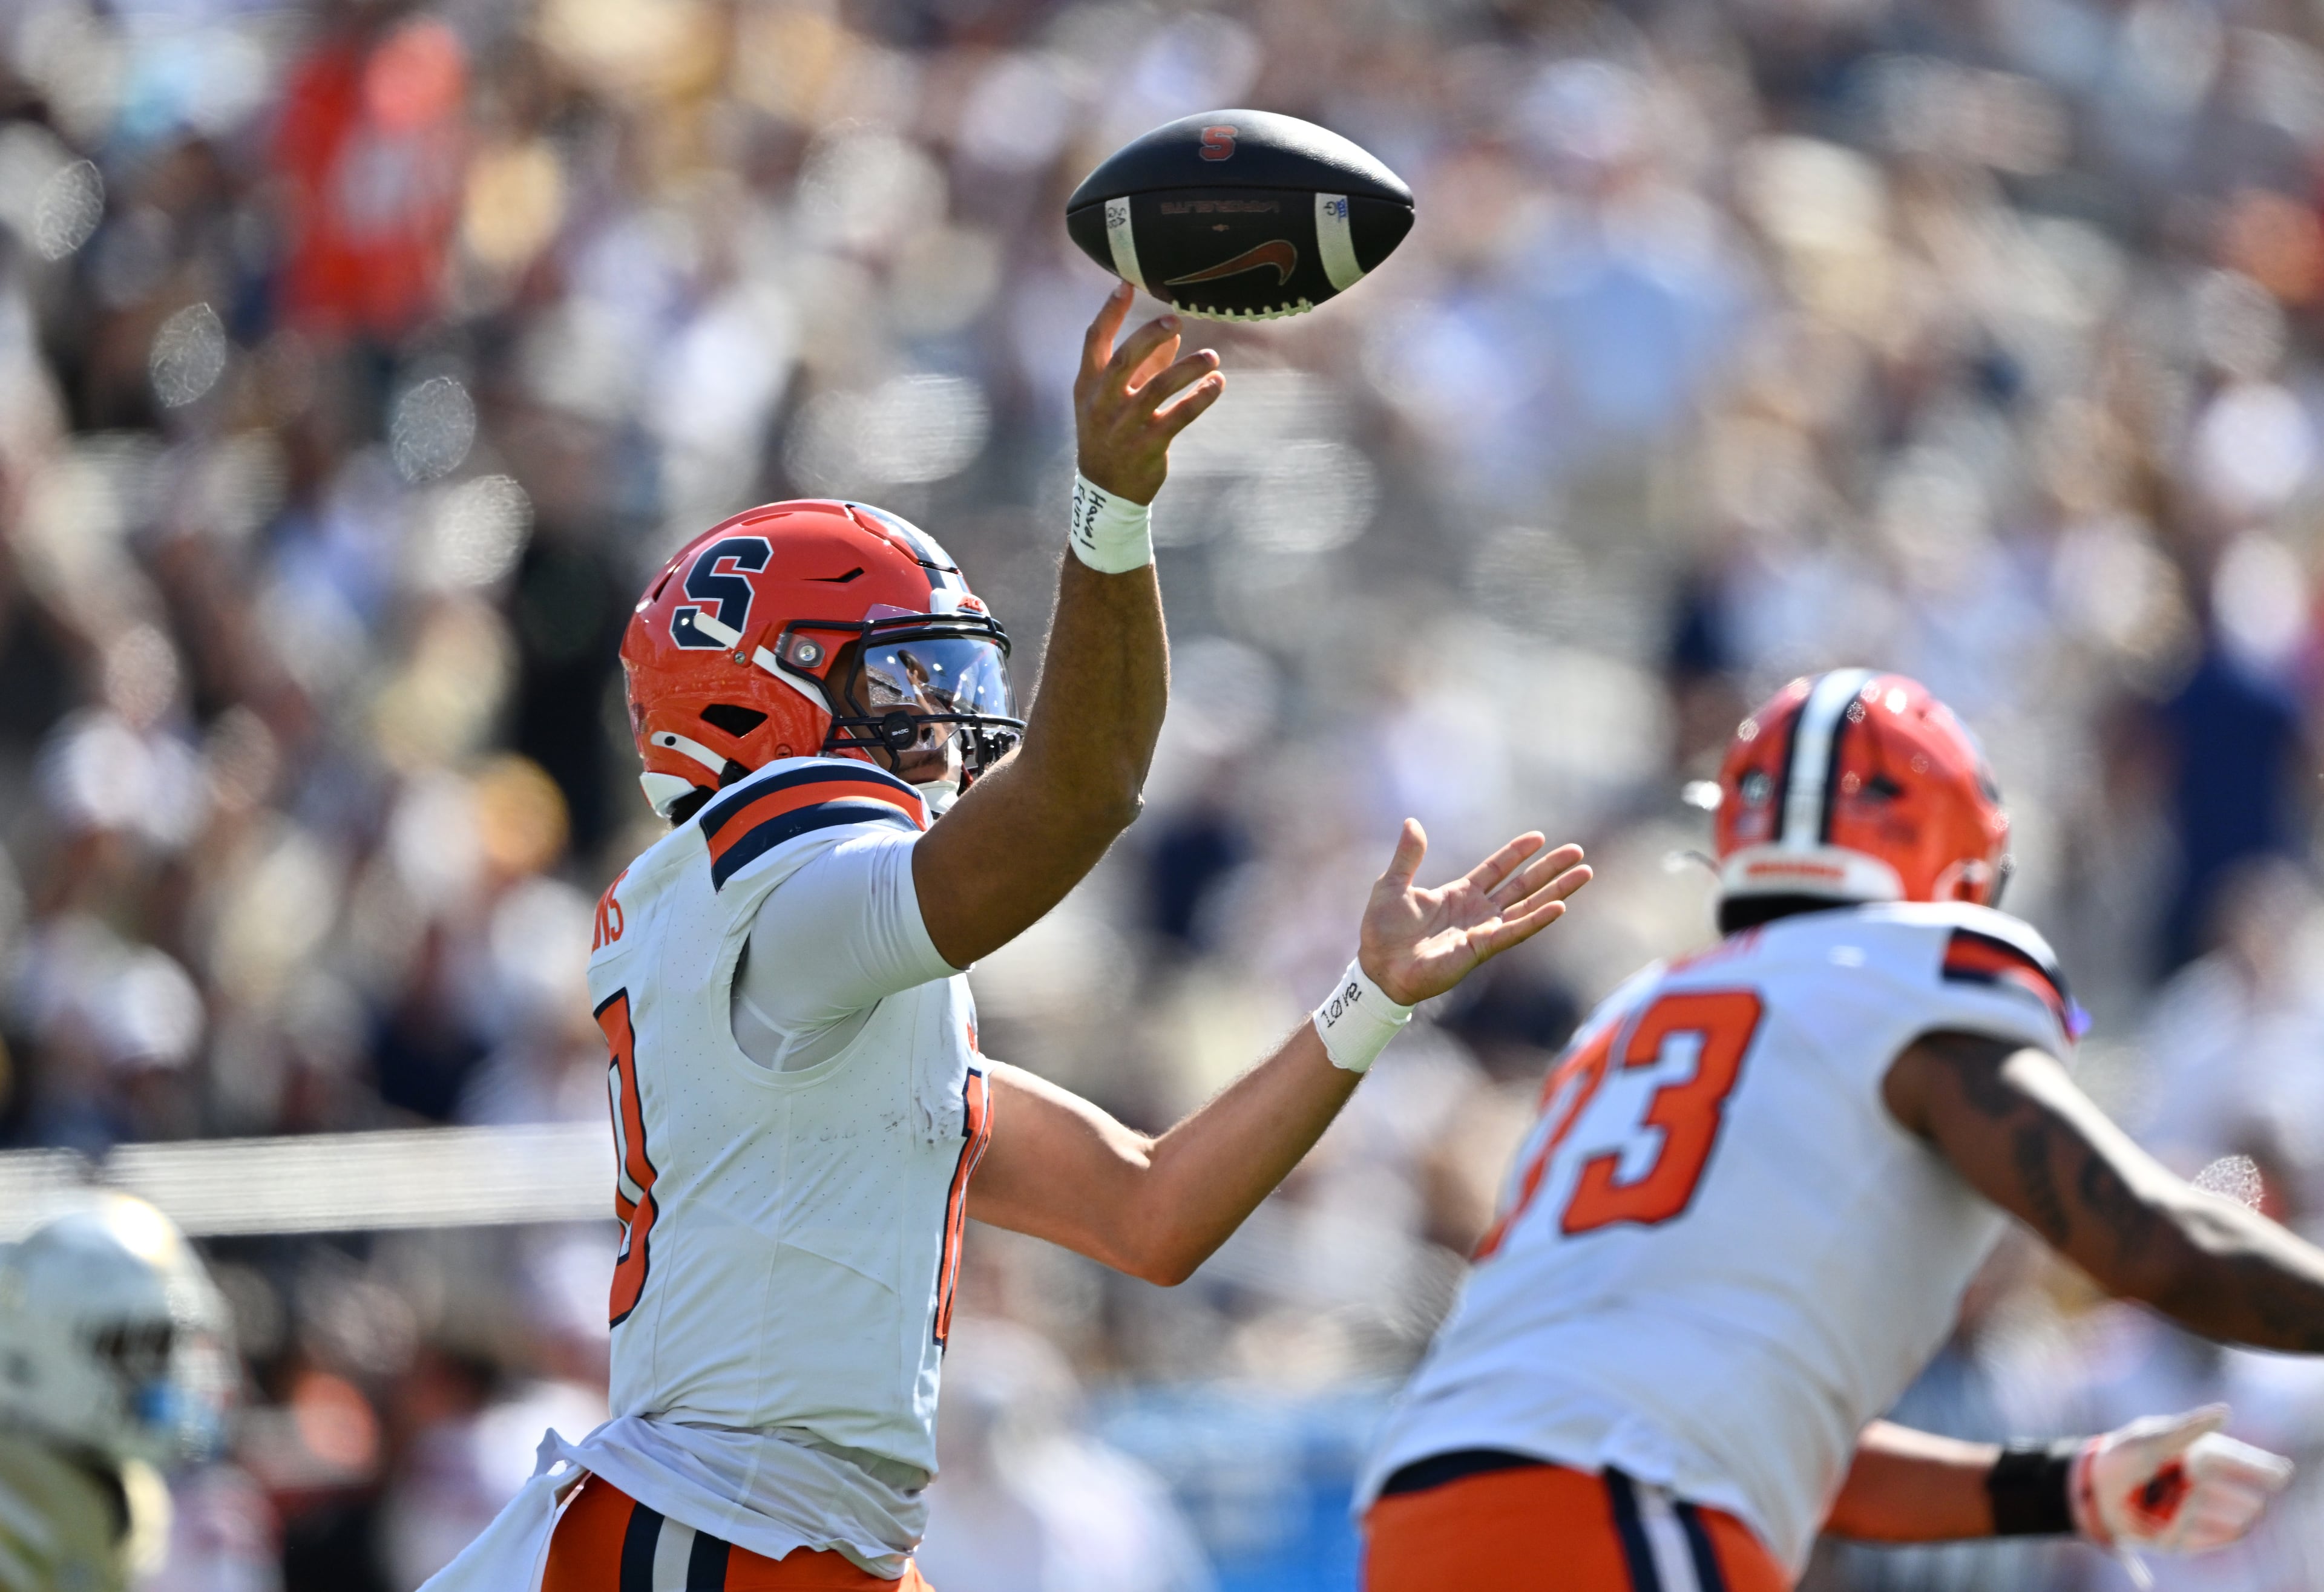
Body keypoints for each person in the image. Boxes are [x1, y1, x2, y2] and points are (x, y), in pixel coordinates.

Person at [422, 283, 1595, 1591]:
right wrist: (1112, 511)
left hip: (795, 1537)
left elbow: (1152, 1211)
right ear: (762, 699)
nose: (944, 731)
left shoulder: (810, 968)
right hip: (726, 1529)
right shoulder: (776, 894)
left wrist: (1366, 1002)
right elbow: (1080, 792)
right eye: (899, 685)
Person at [1359, 669, 2314, 1592]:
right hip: (1628, 1507)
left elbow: (1759, 1424)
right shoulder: (1906, 987)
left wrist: (2065, 1485)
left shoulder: (1633, 1019)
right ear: (1959, 854)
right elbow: (2153, 1241)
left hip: (1427, 1507)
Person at [0, 1191, 235, 1592]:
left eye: (168, 1345)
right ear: (26, 1347)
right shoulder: (22, 1496)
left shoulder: (124, 1490)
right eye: (131, 1345)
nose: (164, 1373)